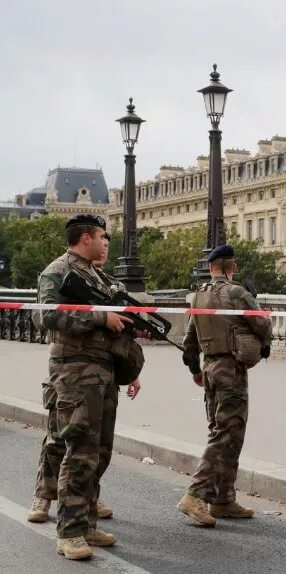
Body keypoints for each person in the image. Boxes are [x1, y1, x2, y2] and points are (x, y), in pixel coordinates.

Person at [33, 215, 138, 560]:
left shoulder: (96, 274)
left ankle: (88, 522)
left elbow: (113, 319)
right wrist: (98, 317)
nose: (107, 242)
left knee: (100, 452)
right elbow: (45, 316)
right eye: (102, 236)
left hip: (103, 371)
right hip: (74, 373)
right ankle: (71, 533)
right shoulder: (58, 271)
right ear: (85, 237)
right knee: (79, 453)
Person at [178, 244, 273, 527]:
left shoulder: (197, 296)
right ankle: (195, 494)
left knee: (226, 433)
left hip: (210, 368)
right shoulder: (237, 293)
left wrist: (196, 369)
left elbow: (189, 341)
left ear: (211, 267)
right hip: (232, 369)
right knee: (225, 434)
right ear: (233, 267)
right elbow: (264, 327)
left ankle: (222, 498)